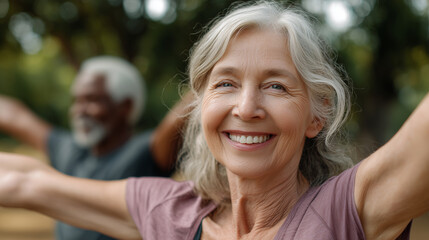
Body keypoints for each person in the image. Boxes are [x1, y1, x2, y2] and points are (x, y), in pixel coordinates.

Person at [0, 1, 428, 239]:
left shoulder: (346, 212)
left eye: (276, 86)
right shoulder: (173, 214)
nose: (246, 107)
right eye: (225, 84)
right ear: (201, 107)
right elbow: (25, 182)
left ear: (318, 115)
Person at [0, 56, 189, 240]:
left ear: (126, 106)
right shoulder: (67, 149)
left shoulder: (146, 154)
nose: (79, 111)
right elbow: (15, 116)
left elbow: (182, 115)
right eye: (77, 101)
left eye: (92, 100)